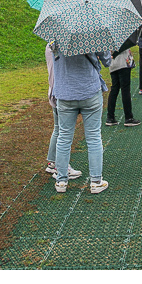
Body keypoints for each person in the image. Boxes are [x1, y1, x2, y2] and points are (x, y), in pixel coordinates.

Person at [50, 47, 111, 193]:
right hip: (89, 90)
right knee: (94, 137)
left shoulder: (57, 35)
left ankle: (61, 181)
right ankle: (96, 181)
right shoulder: (94, 32)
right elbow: (107, 61)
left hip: (65, 92)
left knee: (64, 137)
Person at [44, 43, 82, 179]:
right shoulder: (59, 48)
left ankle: (53, 162)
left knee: (58, 129)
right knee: (63, 132)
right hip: (60, 92)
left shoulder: (51, 46)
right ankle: (61, 166)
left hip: (55, 91)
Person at [107, 46, 140, 126]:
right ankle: (128, 117)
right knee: (125, 89)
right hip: (123, 63)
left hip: (112, 64)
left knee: (114, 89)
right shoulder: (122, 36)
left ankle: (110, 117)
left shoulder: (107, 36)